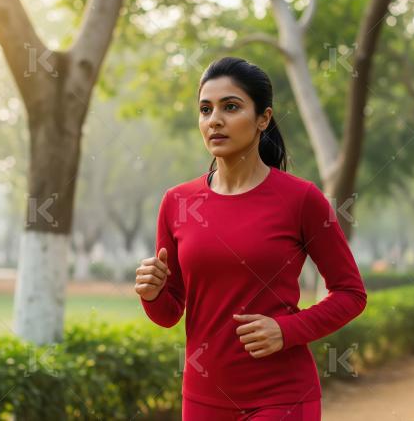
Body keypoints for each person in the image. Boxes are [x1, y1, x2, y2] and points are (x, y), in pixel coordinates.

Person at [134, 56, 367, 420]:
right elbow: (169, 313)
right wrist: (153, 294)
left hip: (282, 397)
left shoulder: (301, 199)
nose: (215, 120)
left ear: (264, 118)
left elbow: (351, 293)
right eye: (205, 109)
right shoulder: (177, 202)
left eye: (231, 107)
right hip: (203, 399)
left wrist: (286, 330)